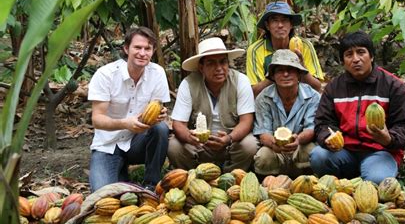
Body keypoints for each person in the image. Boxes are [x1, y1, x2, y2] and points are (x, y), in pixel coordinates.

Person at [309, 31, 405, 184]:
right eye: (349, 55)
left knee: (377, 179)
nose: (356, 59)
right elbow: (322, 122)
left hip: (381, 152)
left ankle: (367, 176)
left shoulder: (392, 85)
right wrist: (327, 137)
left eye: (361, 52)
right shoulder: (334, 87)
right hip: (344, 152)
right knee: (318, 157)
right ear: (343, 61)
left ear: (371, 56)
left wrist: (389, 139)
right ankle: (348, 181)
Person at [88, 27, 170, 192]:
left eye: (147, 49)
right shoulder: (106, 75)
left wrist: (160, 114)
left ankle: (151, 185)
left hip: (136, 143)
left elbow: (155, 110)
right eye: (137, 48)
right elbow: (97, 119)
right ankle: (121, 173)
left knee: (161, 129)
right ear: (126, 49)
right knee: (102, 197)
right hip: (108, 145)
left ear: (153, 51)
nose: (142, 53)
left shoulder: (157, 73)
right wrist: (125, 123)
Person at [168, 37, 258, 171]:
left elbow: (247, 120)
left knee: (249, 145)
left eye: (223, 62)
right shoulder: (189, 84)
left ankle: (231, 176)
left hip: (231, 143)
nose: (219, 68)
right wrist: (190, 137)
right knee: (174, 146)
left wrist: (228, 138)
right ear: (201, 67)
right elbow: (178, 124)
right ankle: (195, 176)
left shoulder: (241, 81)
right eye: (211, 63)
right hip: (199, 146)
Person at [253, 49, 320, 177]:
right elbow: (263, 132)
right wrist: (274, 144)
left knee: (312, 151)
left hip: (300, 146)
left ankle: (307, 183)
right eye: (280, 70)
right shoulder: (264, 97)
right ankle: (270, 185)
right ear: (272, 76)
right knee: (263, 156)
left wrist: (298, 139)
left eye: (290, 69)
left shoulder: (313, 96)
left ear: (299, 74)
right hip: (275, 149)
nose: (285, 74)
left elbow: (311, 128)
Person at [246, 1, 324, 96]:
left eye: (284, 20)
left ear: (291, 24)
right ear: (267, 25)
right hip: (269, 102)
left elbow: (317, 87)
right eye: (275, 20)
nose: (280, 25)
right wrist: (273, 74)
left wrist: (302, 67)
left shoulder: (305, 46)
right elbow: (254, 92)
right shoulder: (255, 50)